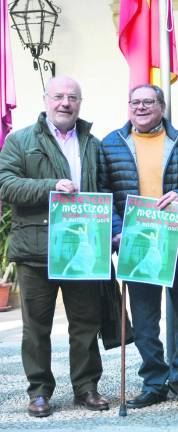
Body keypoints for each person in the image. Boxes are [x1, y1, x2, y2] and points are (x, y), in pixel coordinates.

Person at [0, 76, 109, 417]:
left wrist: (111, 231)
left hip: (82, 249)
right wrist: (51, 186)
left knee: (86, 323)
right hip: (37, 250)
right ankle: (39, 392)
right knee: (36, 327)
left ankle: (87, 387)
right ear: (46, 99)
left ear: (80, 103)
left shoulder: (92, 143)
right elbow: (6, 184)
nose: (65, 103)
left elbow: (104, 189)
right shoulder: (20, 141)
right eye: (59, 96)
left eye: (72, 97)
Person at [98, 84, 178, 408]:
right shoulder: (111, 145)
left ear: (161, 106)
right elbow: (105, 192)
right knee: (145, 318)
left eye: (148, 102)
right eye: (135, 102)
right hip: (136, 242)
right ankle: (154, 382)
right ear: (128, 106)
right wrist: (117, 231)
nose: (141, 108)